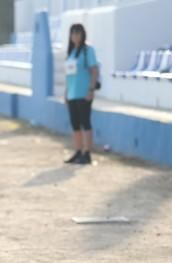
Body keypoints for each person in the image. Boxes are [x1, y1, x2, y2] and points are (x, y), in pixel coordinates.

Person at [64, 23, 99, 165]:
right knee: (75, 124)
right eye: (73, 33)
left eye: (78, 33)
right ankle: (78, 151)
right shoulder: (71, 53)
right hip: (72, 94)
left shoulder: (87, 50)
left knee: (85, 122)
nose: (75, 36)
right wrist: (66, 93)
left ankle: (87, 152)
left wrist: (91, 89)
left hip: (84, 93)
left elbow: (94, 70)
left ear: (83, 34)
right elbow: (69, 75)